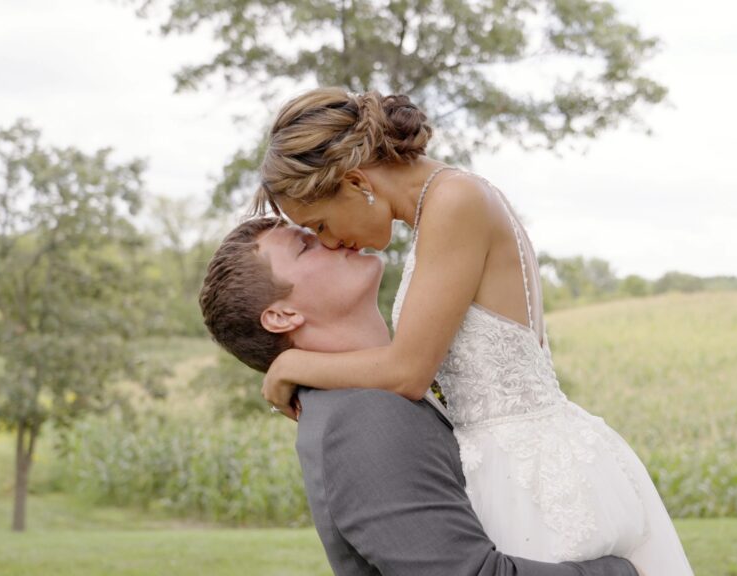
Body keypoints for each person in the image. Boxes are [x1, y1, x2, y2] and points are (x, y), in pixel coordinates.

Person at [254, 87, 693, 573]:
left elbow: (407, 372)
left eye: (320, 224)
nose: (332, 242)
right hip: (500, 461)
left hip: (527, 475)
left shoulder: (455, 200)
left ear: (357, 182)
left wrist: (290, 364)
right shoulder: (445, 206)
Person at [199, 217, 640, 576]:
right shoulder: (362, 416)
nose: (330, 238)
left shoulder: (385, 388)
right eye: (306, 246)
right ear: (281, 315)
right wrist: (624, 571)